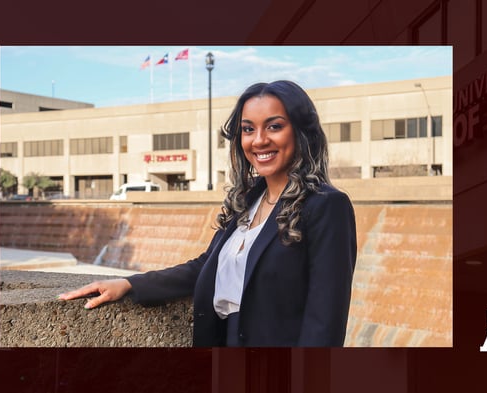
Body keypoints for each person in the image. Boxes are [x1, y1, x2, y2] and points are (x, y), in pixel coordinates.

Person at [58, 80, 357, 347]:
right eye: (248, 129)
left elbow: (325, 319)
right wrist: (131, 284)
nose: (259, 140)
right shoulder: (249, 199)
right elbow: (205, 266)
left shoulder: (327, 205)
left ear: (301, 132)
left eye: (275, 126)